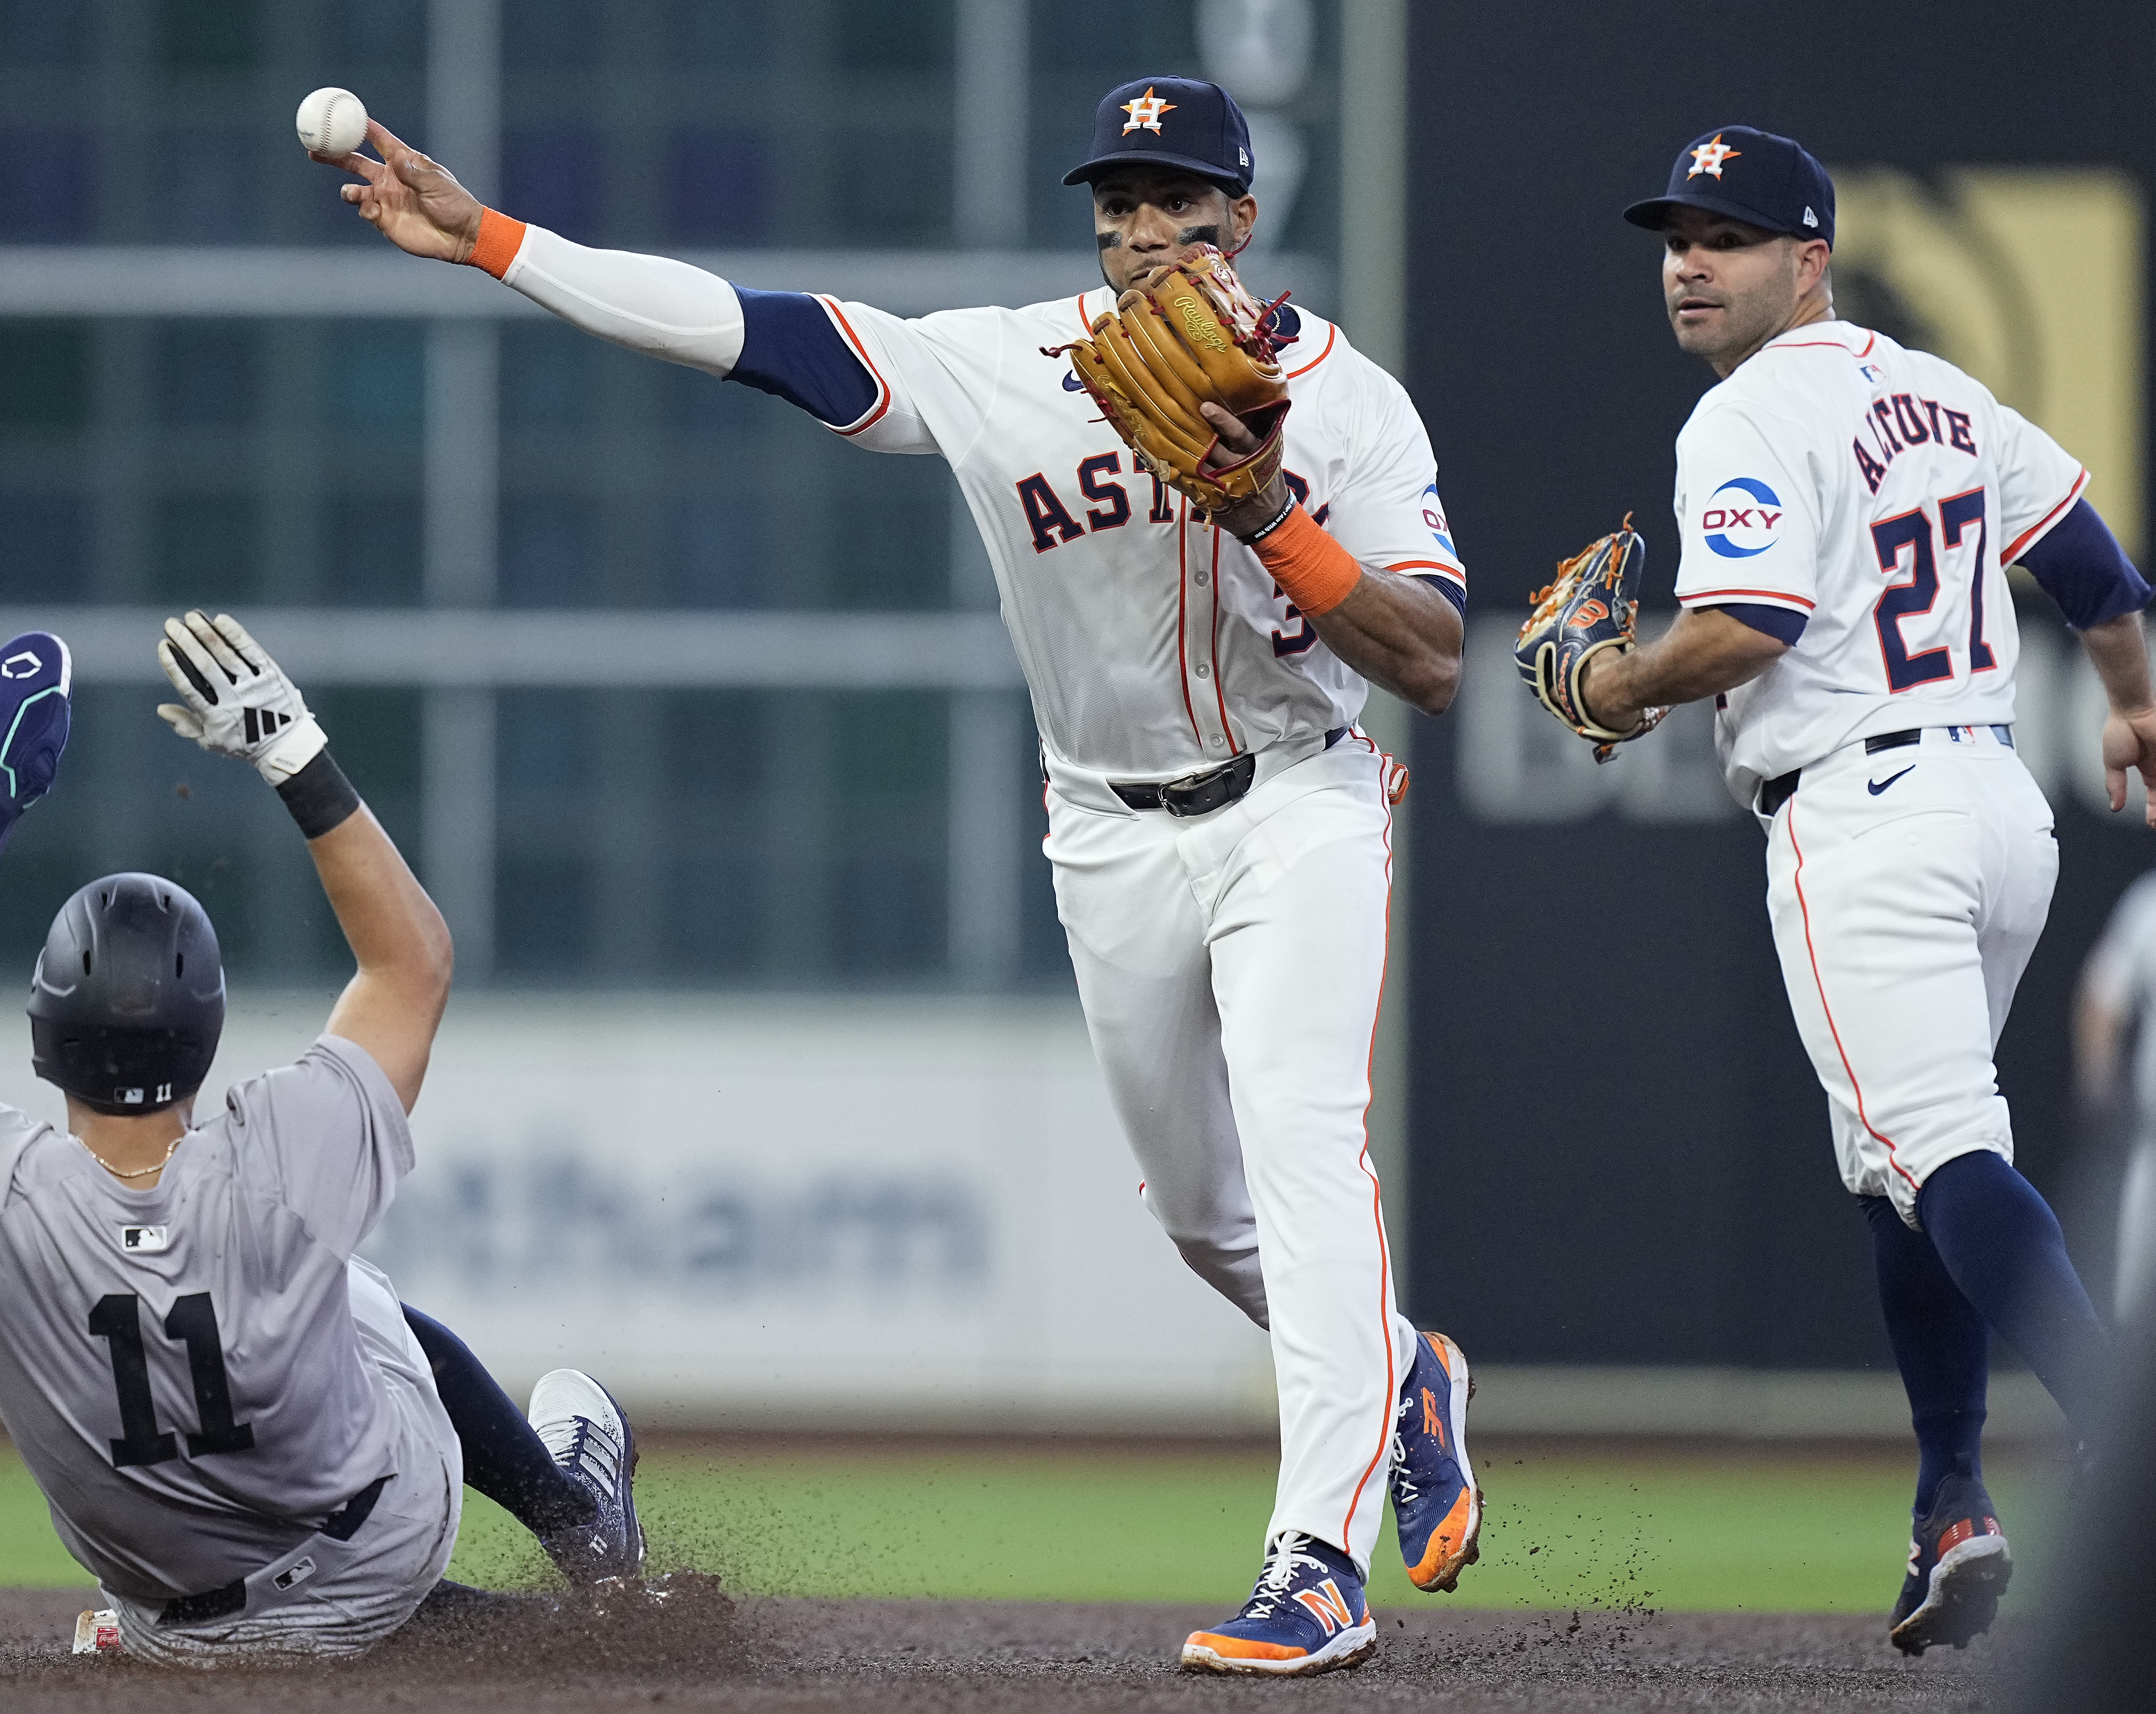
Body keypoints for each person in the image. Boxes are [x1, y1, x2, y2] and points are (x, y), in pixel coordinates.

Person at [322, 75, 1479, 1677]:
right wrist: (501, 242)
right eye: (1117, 205)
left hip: (1299, 804)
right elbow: (739, 326)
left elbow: (1428, 657)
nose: (1142, 232)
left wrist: (1265, 507)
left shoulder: (1351, 407)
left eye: (1175, 204)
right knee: (1209, 1219)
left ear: (1244, 223)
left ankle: (1315, 1559)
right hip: (1106, 830)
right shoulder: (1008, 365)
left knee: (1300, 1150)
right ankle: (1403, 1369)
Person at [1558, 125, 2156, 1654]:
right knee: (1904, 1163)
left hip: (1864, 819)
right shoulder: (1942, 391)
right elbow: (2094, 574)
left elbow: (1746, 625)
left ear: (1806, 259)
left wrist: (1613, 680)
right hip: (1993, 810)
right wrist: (2136, 703)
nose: (1689, 262)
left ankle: (2120, 1460)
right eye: (1676, 236)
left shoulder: (1746, 413)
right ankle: (1950, 1506)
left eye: (1729, 236)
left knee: (1938, 1152)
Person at [0, 616, 644, 1664]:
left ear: (40, 1040)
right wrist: (291, 751)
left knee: (243, 1415)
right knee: (351, 1298)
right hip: (381, 1556)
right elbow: (412, 966)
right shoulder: (280, 1154)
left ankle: (417, 1623)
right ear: (211, 1032)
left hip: (178, 1630)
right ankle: (580, 1529)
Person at [2076, 869, 2156, 1322]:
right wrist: (2097, 1076)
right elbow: (2103, 994)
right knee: (2138, 1304)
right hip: (2153, 1141)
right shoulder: (2149, 902)